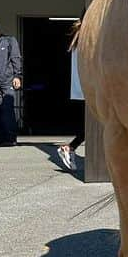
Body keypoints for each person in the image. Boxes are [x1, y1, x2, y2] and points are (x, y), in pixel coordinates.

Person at [57, 26, 84, 173]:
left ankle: (70, 148)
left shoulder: (77, 39)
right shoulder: (87, 38)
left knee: (92, 127)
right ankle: (69, 148)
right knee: (94, 127)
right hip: (88, 89)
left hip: (81, 89)